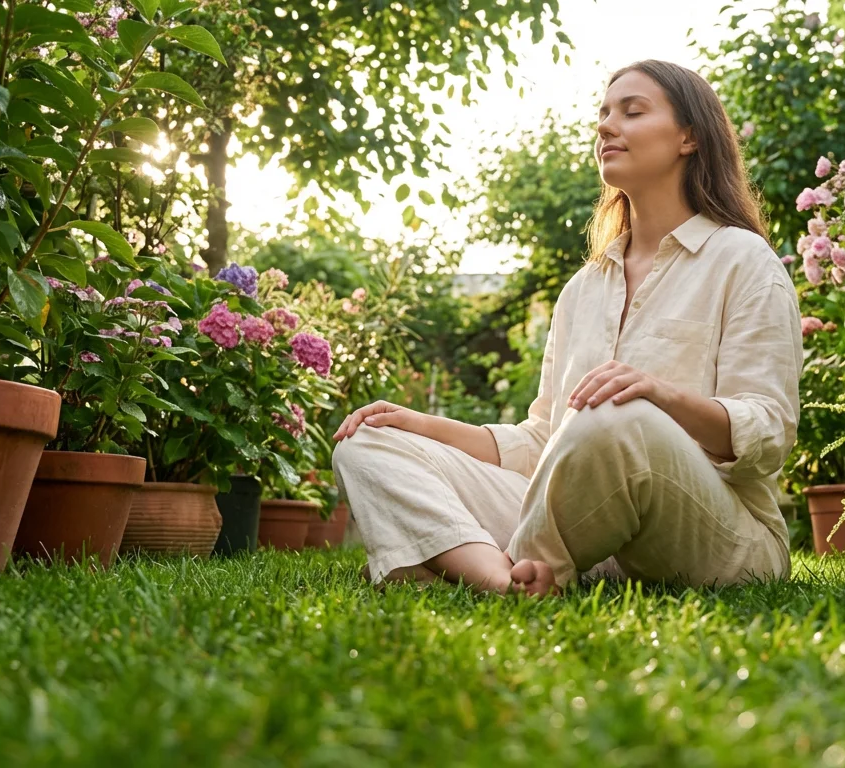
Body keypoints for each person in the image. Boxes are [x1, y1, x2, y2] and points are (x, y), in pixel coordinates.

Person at [331, 59, 801, 596]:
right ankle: (502, 581)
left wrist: (660, 398)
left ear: (689, 137)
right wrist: (422, 424)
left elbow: (768, 434)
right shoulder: (584, 288)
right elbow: (543, 441)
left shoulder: (744, 261)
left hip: (715, 534)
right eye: (603, 113)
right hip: (588, 530)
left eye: (632, 111)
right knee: (368, 442)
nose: (605, 126)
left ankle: (495, 563)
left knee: (619, 414)